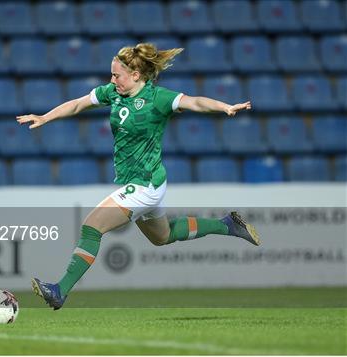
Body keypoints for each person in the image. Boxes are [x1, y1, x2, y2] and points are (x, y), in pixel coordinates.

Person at [16, 43, 260, 310]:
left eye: (116, 75)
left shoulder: (158, 99)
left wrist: (224, 107)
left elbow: (194, 102)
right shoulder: (114, 93)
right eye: (111, 74)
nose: (111, 80)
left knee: (91, 226)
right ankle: (227, 225)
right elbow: (77, 105)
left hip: (144, 184)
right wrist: (45, 117)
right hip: (149, 182)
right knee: (162, 237)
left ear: (135, 75)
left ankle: (59, 290)